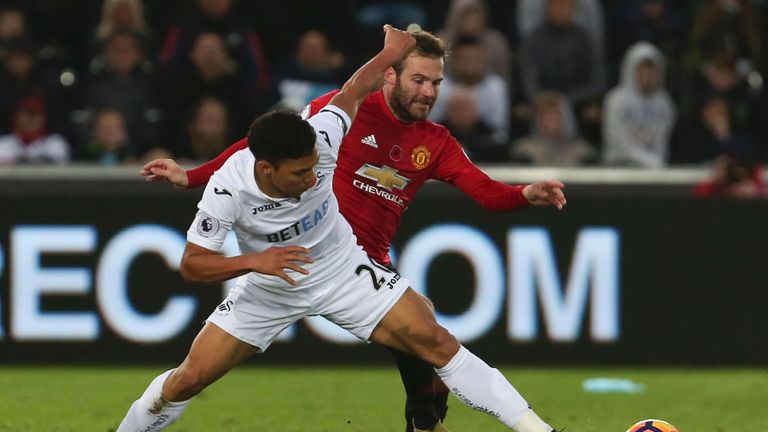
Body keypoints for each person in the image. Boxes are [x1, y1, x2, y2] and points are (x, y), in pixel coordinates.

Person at [140, 28, 567, 432]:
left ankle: (495, 424)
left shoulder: (435, 142)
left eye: (436, 82)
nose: (428, 92)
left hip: (351, 263)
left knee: (431, 336)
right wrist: (194, 176)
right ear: (390, 75)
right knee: (190, 378)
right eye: (419, 80)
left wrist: (525, 193)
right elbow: (264, 146)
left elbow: (486, 192)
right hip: (281, 272)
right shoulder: (340, 116)